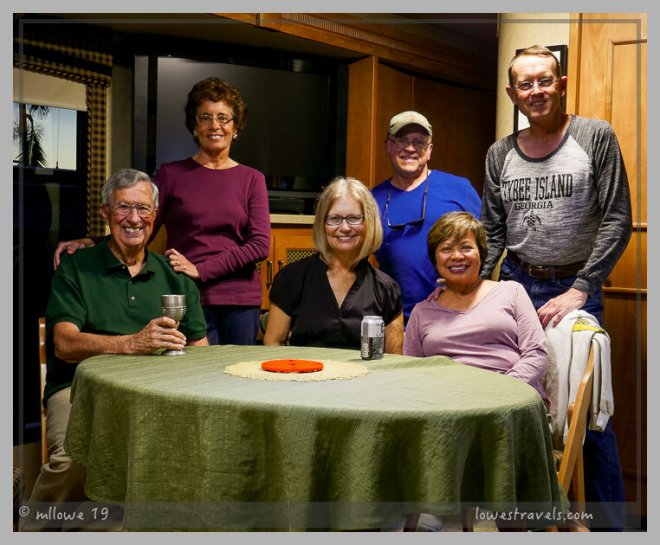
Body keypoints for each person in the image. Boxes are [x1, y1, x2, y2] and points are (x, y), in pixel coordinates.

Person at [480, 45, 631, 530]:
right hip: (517, 286)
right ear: (512, 94)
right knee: (519, 404)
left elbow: (617, 218)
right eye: (525, 84)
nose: (536, 91)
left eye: (545, 80)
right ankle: (530, 519)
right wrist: (477, 289)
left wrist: (581, 288)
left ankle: (611, 529)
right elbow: (493, 230)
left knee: (587, 414)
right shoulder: (500, 153)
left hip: (575, 288)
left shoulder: (594, 136)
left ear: (561, 84)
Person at [25, 169, 208, 530]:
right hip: (79, 389)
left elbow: (200, 350)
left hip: (159, 395)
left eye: (143, 208)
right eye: (123, 207)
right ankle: (36, 530)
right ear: (105, 213)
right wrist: (133, 343)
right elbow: (64, 343)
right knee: (74, 459)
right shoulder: (76, 267)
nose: (134, 218)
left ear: (155, 215)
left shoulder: (176, 276)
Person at [54, 77, 271, 345]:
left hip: (239, 300)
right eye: (205, 117)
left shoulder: (252, 179)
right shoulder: (172, 174)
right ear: (195, 126)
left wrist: (202, 269)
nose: (214, 125)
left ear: (235, 126)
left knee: (238, 371)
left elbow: (260, 245)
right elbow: (142, 226)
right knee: (193, 369)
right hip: (187, 295)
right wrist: (92, 242)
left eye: (223, 118)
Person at [404, 211, 548, 402]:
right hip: (444, 402)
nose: (457, 256)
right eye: (446, 249)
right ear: (435, 260)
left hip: (511, 397)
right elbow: (412, 371)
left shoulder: (511, 291)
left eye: (466, 247)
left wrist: (501, 390)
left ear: (481, 254)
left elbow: (536, 352)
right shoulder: (422, 311)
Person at [264, 176, 404, 353]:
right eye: (334, 218)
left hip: (366, 372)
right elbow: (273, 345)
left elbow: (393, 360)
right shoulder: (291, 278)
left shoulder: (386, 289)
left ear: (369, 223)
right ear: (322, 224)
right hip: (305, 371)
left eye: (354, 218)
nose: (344, 227)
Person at [371, 110, 482, 323]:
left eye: (419, 142)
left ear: (429, 150)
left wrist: (468, 285)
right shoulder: (371, 200)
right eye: (401, 140)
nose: (410, 148)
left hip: (456, 317)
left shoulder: (459, 188)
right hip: (396, 321)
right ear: (388, 145)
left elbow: (487, 246)